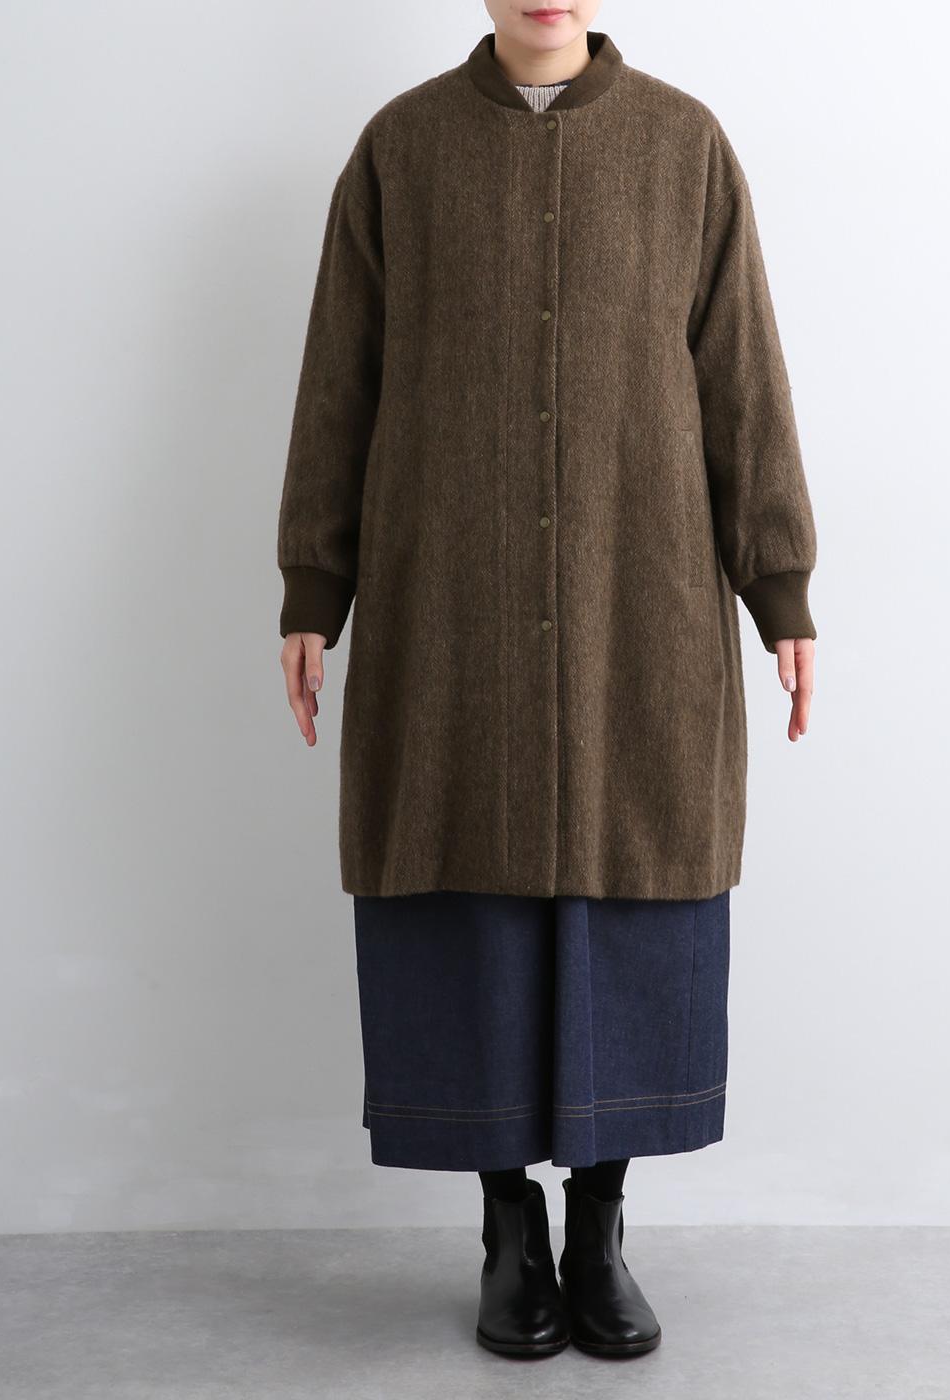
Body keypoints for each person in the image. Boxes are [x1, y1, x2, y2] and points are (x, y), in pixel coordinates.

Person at [276, 0, 817, 1362]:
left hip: (642, 599)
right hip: (447, 605)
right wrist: (315, 587)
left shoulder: (685, 147)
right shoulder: (400, 151)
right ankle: (507, 1228)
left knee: (627, 884)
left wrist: (781, 585)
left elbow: (743, 375)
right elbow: (340, 377)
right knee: (465, 891)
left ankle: (599, 1230)